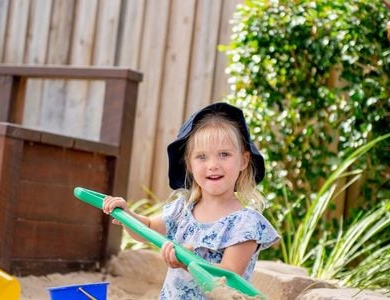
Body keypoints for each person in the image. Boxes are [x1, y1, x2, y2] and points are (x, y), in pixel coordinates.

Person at [102, 102, 279, 299]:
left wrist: (190, 262)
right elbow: (148, 230)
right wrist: (127, 215)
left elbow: (230, 274)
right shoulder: (183, 209)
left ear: (244, 161)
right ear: (189, 164)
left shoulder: (245, 223)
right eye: (202, 157)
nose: (213, 165)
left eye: (224, 154)